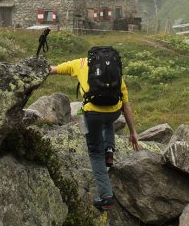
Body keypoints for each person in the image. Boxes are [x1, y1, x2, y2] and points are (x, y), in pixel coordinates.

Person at [50, 48, 141, 210]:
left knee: (94, 152)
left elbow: (54, 70)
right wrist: (133, 132)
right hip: (113, 113)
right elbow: (126, 105)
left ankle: (106, 196)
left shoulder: (81, 63)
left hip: (92, 115)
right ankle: (109, 150)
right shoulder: (115, 72)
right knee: (107, 121)